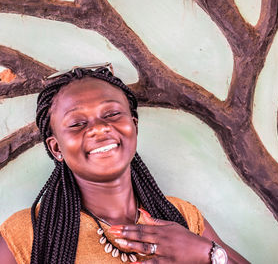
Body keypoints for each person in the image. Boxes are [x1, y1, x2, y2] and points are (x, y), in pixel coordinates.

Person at [0, 64, 250, 264]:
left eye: (111, 114)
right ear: (56, 148)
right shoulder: (27, 233)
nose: (99, 128)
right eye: (77, 123)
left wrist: (208, 254)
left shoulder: (182, 216)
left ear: (134, 126)